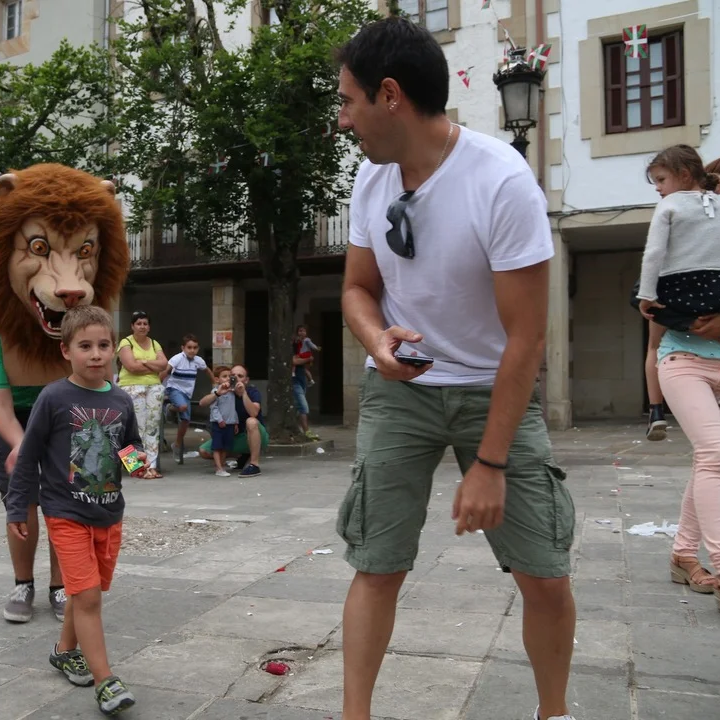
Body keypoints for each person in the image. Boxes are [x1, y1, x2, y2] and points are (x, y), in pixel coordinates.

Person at [334, 19, 576, 720]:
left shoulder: (501, 181)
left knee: (544, 573)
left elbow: (527, 338)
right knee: (376, 565)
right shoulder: (370, 178)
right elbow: (357, 289)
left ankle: (554, 712)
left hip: (493, 389)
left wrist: (491, 464)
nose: (342, 119)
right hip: (400, 392)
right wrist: (377, 341)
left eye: (347, 101)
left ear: (390, 96)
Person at [6, 305, 142, 716]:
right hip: (65, 513)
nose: (95, 354)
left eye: (103, 345)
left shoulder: (121, 399)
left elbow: (129, 446)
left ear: (114, 349)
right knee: (86, 595)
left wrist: (138, 464)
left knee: (88, 593)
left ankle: (65, 651)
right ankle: (106, 681)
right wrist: (17, 506)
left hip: (109, 514)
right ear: (66, 350)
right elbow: (28, 456)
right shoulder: (53, 397)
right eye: (85, 346)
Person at [637, 146, 720, 411]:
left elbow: (654, 253)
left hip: (686, 288)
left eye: (661, 180)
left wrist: (647, 295)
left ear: (684, 175)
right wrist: (689, 322)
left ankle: (656, 409)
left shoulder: (669, 205)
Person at [0, 323, 66, 623]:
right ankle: (23, 584)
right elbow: (1, 405)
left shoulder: (69, 330)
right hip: (13, 413)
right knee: (20, 499)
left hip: (60, 411)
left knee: (64, 498)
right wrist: (22, 446)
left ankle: (61, 585)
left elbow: (123, 431)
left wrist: (132, 462)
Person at [116, 311, 168, 478]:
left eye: (145, 323)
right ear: (132, 326)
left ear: (149, 327)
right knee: (136, 428)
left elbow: (164, 365)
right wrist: (153, 366)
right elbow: (131, 367)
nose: (142, 326)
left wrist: (144, 362)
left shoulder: (154, 343)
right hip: (132, 387)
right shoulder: (126, 342)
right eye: (139, 323)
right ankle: (136, 467)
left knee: (152, 428)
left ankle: (151, 467)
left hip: (154, 387)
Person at [196, 364, 267, 477]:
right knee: (204, 451)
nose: (235, 378)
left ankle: (254, 464)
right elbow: (202, 403)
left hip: (255, 433)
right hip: (234, 434)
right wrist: (217, 393)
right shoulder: (226, 391)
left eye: (240, 376)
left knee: (251, 421)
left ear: (246, 380)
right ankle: (241, 455)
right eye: (232, 375)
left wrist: (243, 393)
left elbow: (254, 413)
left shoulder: (252, 391)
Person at [161, 334, 214, 463]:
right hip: (174, 388)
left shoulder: (198, 360)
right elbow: (166, 371)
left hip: (186, 393)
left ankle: (177, 444)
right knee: (183, 406)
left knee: (185, 420)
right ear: (183, 348)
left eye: (195, 348)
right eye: (189, 347)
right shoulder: (177, 359)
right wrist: (158, 385)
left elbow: (207, 370)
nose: (192, 350)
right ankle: (169, 408)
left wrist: (214, 382)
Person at [207, 365, 239, 477]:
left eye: (229, 376)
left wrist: (235, 422)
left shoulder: (232, 392)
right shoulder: (216, 391)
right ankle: (218, 468)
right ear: (217, 379)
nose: (227, 378)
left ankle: (221, 465)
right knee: (217, 446)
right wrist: (219, 419)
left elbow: (232, 408)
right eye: (224, 376)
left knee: (226, 446)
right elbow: (213, 407)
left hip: (230, 423)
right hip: (218, 423)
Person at [292, 325, 321, 442]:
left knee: (298, 407)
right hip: (294, 381)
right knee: (303, 406)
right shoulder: (294, 351)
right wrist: (308, 359)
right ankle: (306, 431)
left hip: (302, 380)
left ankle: (297, 430)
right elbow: (294, 361)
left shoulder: (303, 347)